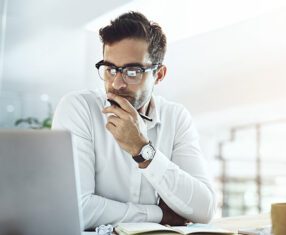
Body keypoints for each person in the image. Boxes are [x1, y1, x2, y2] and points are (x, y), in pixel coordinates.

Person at [52, 11, 216, 230]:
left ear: (159, 75)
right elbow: (74, 209)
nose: (117, 83)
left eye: (132, 71)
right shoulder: (79, 109)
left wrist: (142, 150)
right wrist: (158, 214)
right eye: (110, 69)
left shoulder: (176, 117)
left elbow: (204, 208)